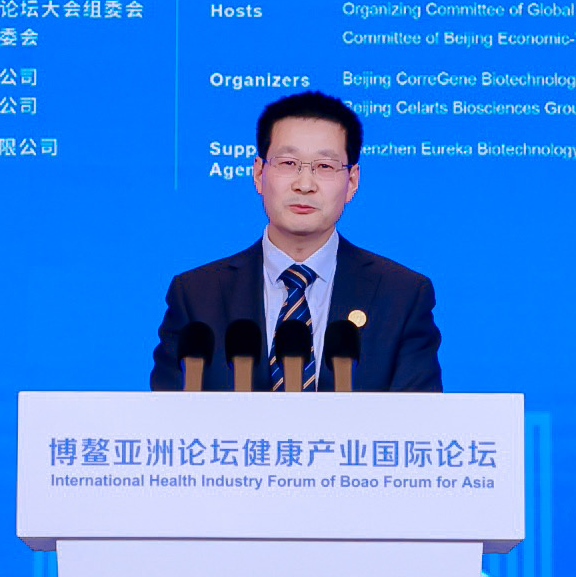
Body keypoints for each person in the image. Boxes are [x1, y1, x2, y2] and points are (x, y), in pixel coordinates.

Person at [148, 89, 442, 391]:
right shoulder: (196, 295)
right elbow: (165, 414)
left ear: (352, 181)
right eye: (288, 163)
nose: (304, 184)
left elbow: (419, 414)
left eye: (324, 166)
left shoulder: (402, 296)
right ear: (259, 173)